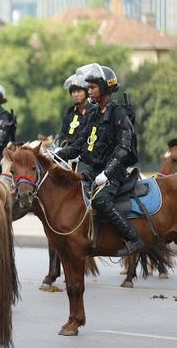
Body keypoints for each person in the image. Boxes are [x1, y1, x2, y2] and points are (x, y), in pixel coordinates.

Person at [56, 63, 143, 257]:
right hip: (93, 169)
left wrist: (107, 173)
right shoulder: (93, 113)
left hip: (113, 170)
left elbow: (124, 148)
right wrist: (54, 154)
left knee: (101, 200)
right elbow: (79, 144)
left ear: (104, 88)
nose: (89, 90)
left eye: (93, 87)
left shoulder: (118, 114)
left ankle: (132, 237)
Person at [52, 74, 96, 151]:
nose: (75, 94)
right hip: (66, 151)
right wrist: (58, 145)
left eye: (79, 91)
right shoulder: (70, 111)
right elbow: (62, 133)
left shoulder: (93, 111)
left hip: (84, 152)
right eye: (73, 92)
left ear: (86, 93)